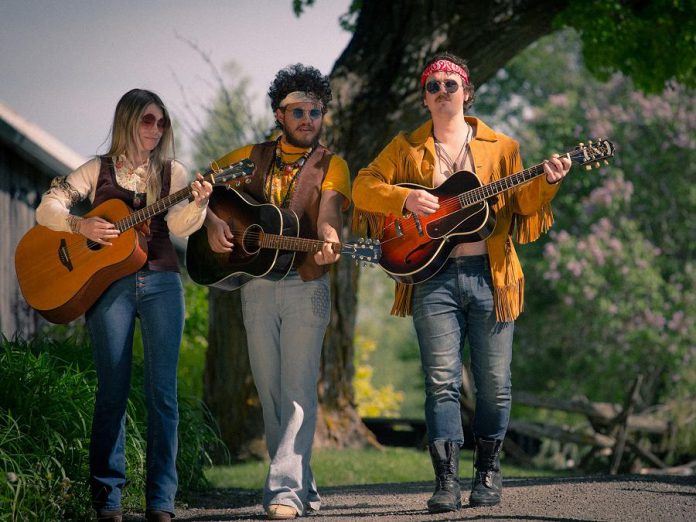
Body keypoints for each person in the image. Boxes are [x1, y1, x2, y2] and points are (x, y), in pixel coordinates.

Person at [352, 52, 571, 512]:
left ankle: (487, 471)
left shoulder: (501, 147)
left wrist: (548, 180)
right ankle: (446, 481)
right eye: (433, 87)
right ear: (425, 98)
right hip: (431, 278)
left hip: (492, 277)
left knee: (495, 384)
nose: (442, 92)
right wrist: (405, 197)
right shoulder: (407, 147)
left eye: (450, 85)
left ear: (466, 92)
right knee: (441, 382)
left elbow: (526, 203)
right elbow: (362, 187)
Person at [35, 89, 213, 522]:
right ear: (128, 121)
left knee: (163, 396)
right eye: (148, 120)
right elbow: (48, 207)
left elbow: (180, 225)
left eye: (162, 122)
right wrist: (80, 222)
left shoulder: (173, 172)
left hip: (162, 283)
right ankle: (108, 499)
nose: (156, 130)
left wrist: (200, 201)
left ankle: (161, 501)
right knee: (111, 391)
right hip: (107, 287)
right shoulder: (96, 170)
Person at [204, 64, 351, 520]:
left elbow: (328, 212)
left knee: (297, 391)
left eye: (316, 110)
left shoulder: (333, 164)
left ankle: (284, 491)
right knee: (269, 392)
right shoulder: (250, 155)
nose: (309, 118)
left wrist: (329, 236)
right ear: (278, 114)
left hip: (306, 285)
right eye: (298, 110)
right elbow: (200, 186)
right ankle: (301, 488)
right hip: (256, 287)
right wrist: (211, 223)